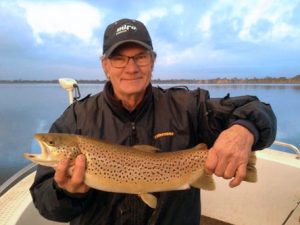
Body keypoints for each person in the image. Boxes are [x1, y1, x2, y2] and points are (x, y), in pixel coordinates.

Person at [30, 18, 276, 225]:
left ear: (153, 61)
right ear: (105, 65)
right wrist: (66, 193)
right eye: (119, 58)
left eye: (140, 57)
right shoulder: (75, 119)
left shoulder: (187, 107)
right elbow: (46, 205)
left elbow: (256, 108)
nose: (131, 67)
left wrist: (245, 131)